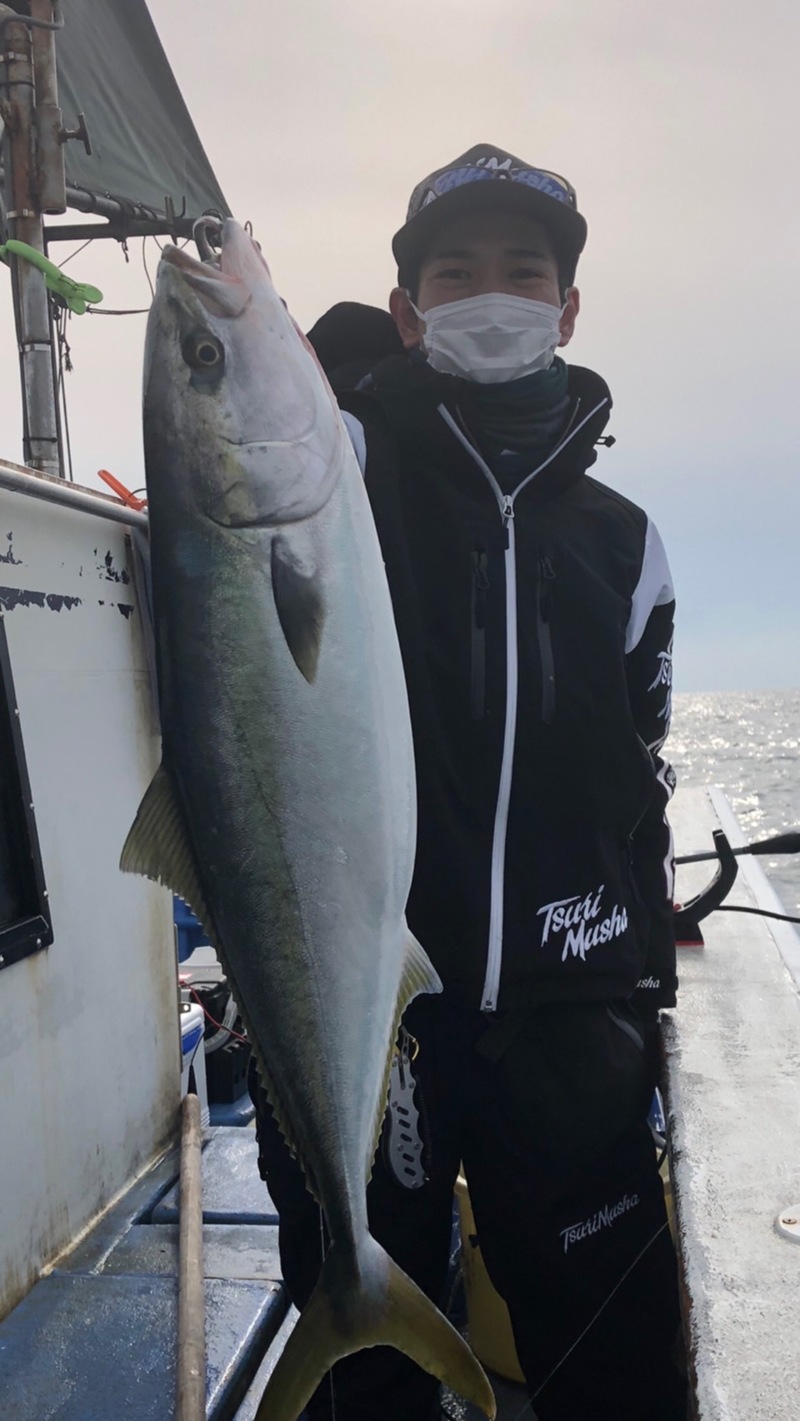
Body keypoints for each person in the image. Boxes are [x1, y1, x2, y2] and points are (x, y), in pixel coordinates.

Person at [249, 143, 686, 1421]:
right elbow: (250, 474)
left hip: (570, 1011)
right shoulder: (342, 483)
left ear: (565, 308)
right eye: (453, 273)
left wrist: (638, 937)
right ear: (405, 310)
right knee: (369, 1380)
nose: (489, 294)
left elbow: (639, 757)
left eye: (521, 271)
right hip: (373, 1005)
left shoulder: (624, 543)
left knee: (612, 1363)